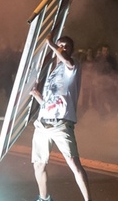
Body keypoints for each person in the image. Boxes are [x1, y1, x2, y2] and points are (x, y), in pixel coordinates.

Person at [29, 33, 91, 201]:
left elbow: (67, 60)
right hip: (43, 123)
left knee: (74, 164)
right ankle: (44, 198)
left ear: (70, 50)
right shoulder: (52, 72)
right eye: (60, 45)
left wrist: (51, 43)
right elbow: (51, 102)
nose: (62, 48)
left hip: (61, 124)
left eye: (66, 46)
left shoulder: (72, 66)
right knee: (39, 164)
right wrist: (37, 96)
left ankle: (88, 199)